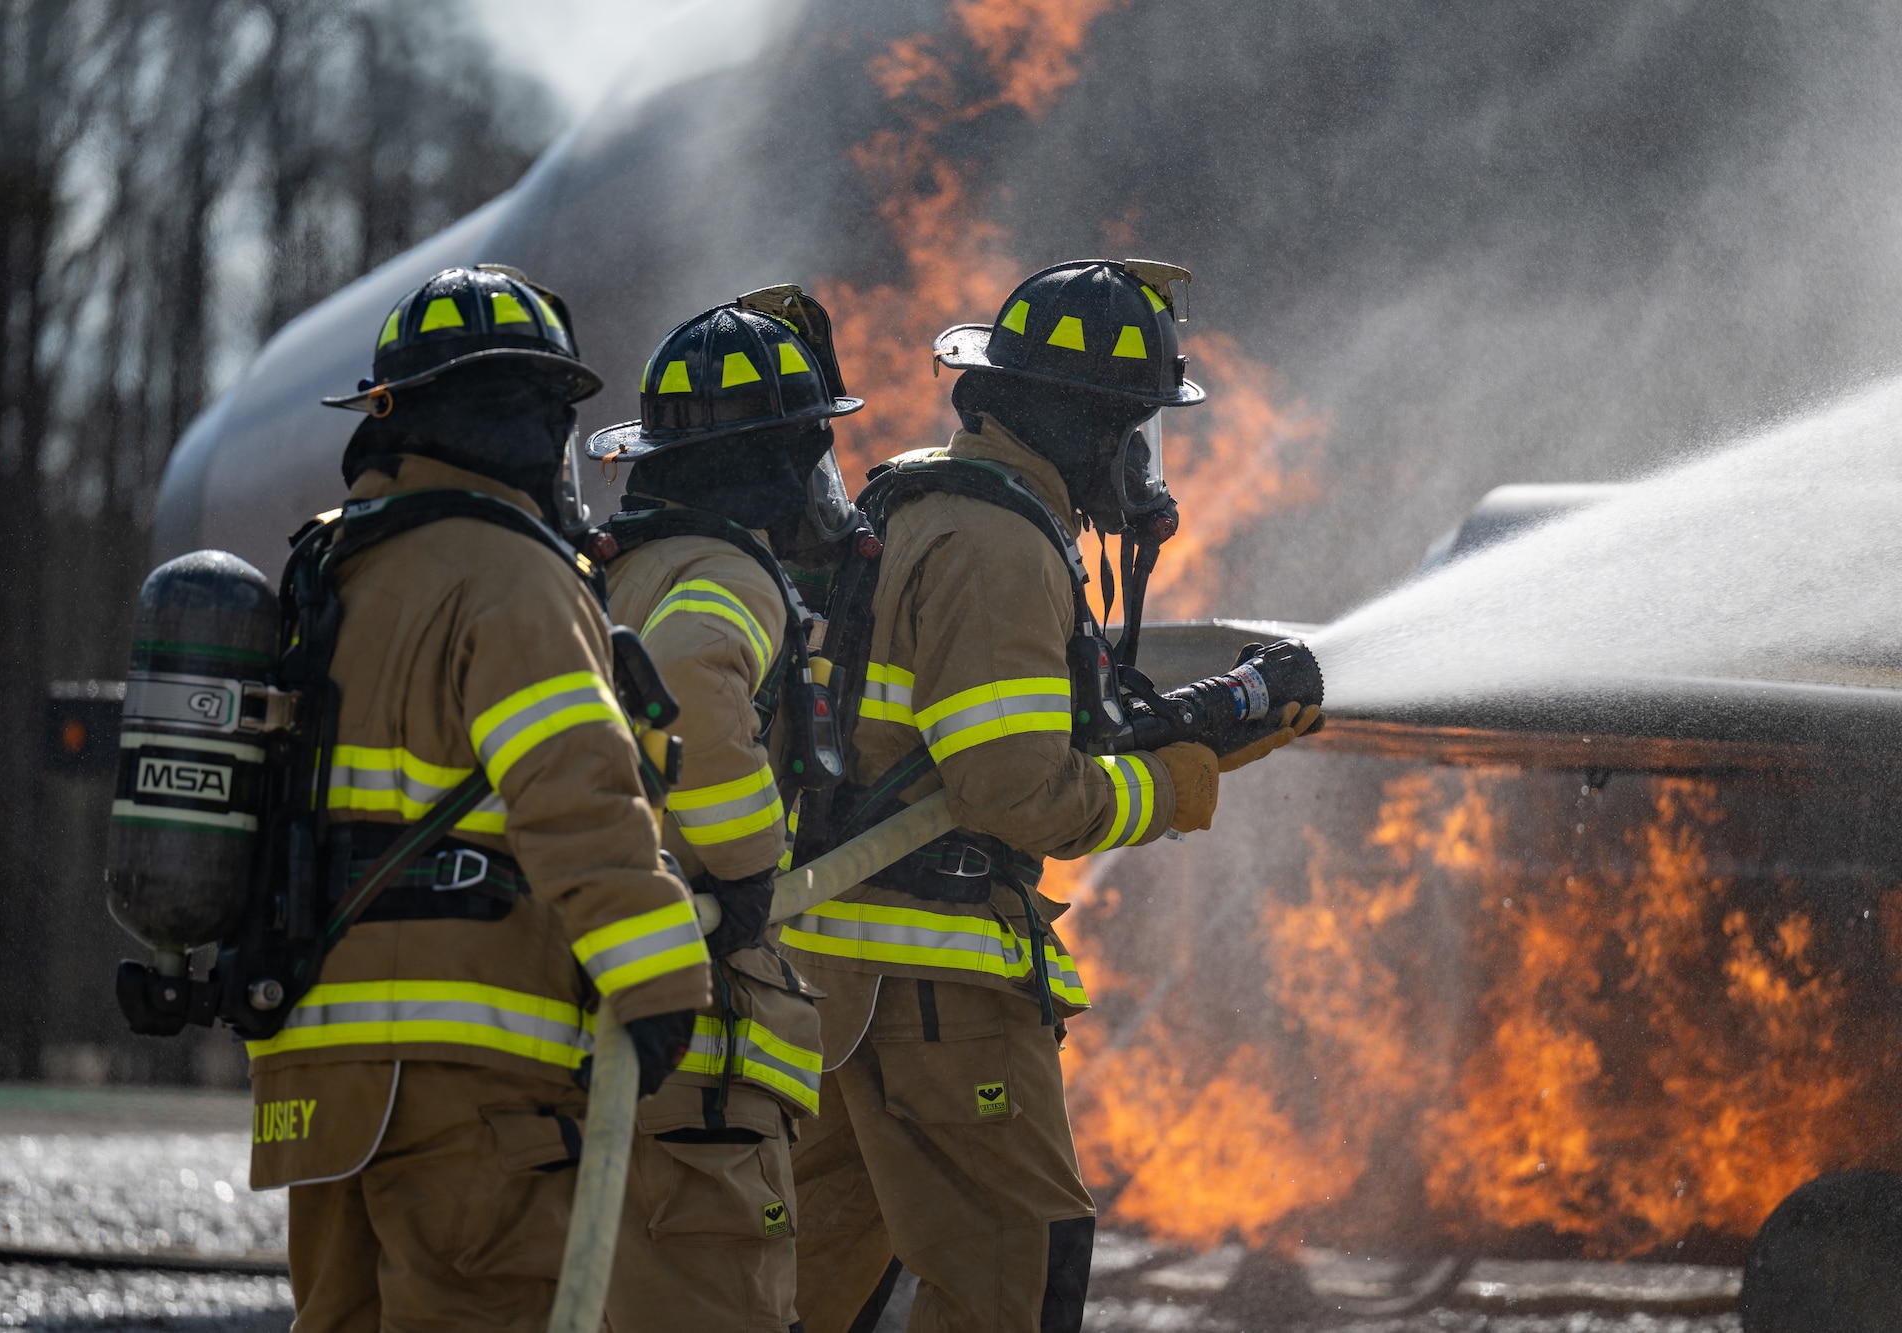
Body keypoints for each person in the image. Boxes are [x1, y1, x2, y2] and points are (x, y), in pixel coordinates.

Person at [781, 259, 1323, 1332]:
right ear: (1084, 427)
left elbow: (991, 738)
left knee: (801, 1286)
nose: (1140, 465)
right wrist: (1173, 785)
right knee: (1015, 1274)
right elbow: (1014, 790)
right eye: (1133, 433)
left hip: (843, 976)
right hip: (940, 983)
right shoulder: (998, 544)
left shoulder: (921, 503)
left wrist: (1207, 729)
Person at [245, 265, 712, 1333]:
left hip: (314, 1067)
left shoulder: (331, 565)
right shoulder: (513, 574)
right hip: (465, 1072)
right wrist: (656, 981)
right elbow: (576, 793)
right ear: (528, 417)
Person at [586, 286, 865, 1332]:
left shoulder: (618, 570)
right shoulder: (726, 573)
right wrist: (747, 866)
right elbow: (695, 693)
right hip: (696, 1027)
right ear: (777, 460)